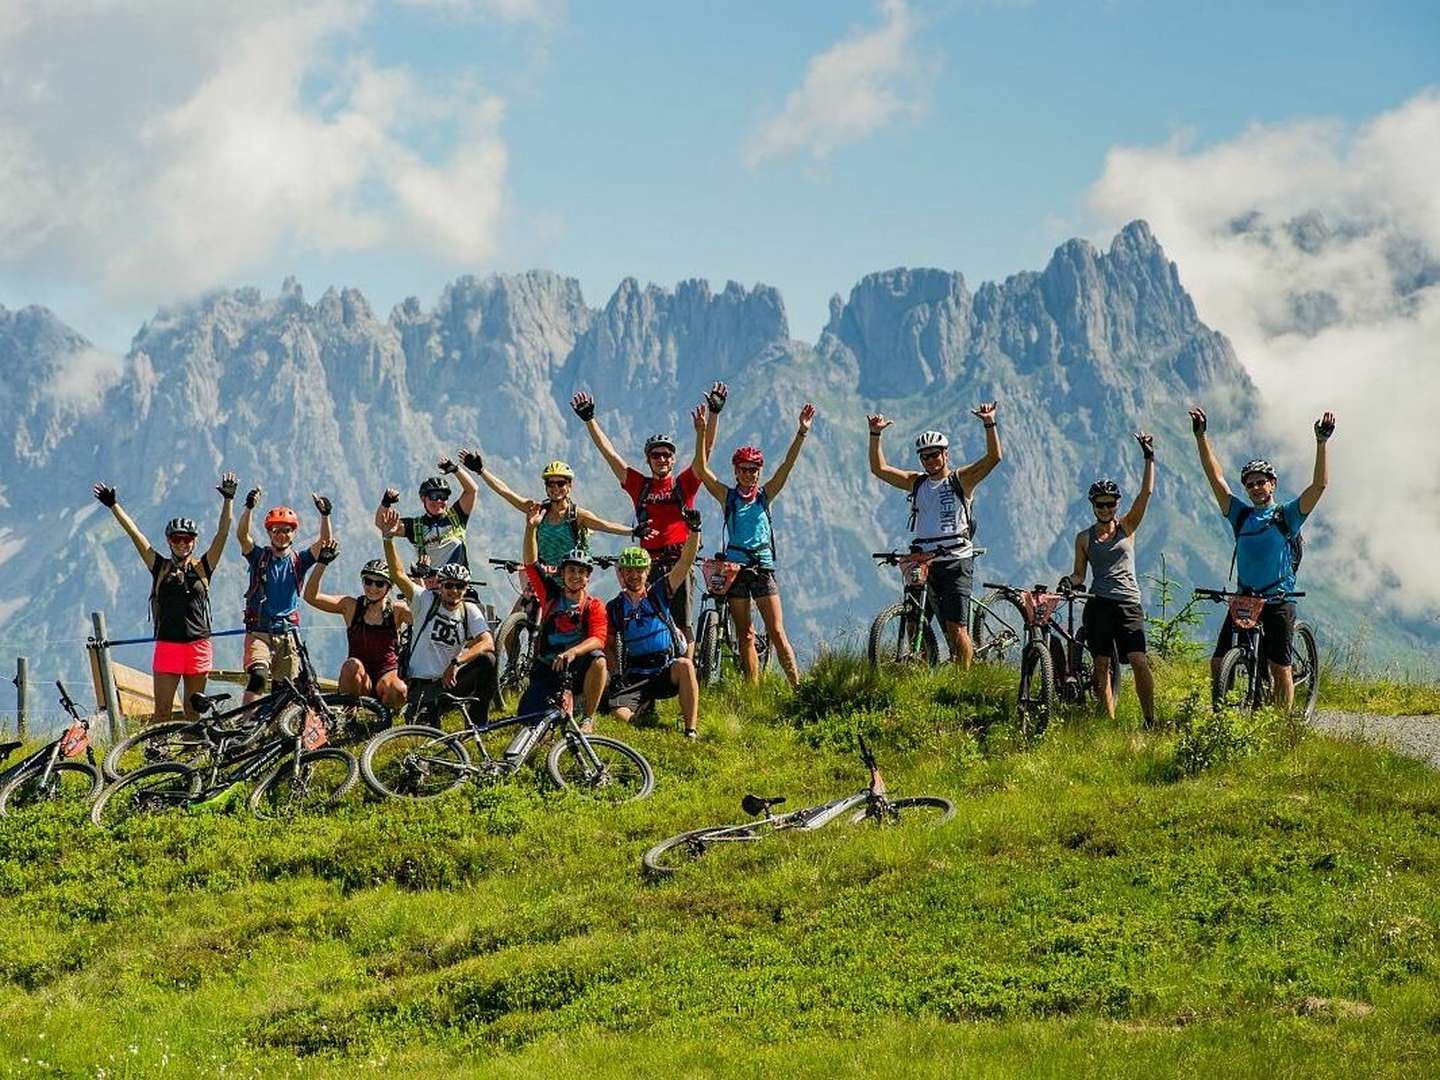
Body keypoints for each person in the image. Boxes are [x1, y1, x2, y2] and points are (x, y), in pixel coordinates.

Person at [1190, 406, 1335, 711]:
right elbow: (1214, 478)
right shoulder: (1240, 516)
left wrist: (1321, 444)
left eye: (1261, 482)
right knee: (1218, 662)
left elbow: (1319, 486)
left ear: (1273, 484)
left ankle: (1282, 728)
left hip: (1279, 599)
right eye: (1250, 484)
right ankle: (1223, 717)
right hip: (1245, 599)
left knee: (1279, 667)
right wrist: (1201, 436)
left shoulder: (1287, 516)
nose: (1256, 488)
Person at [91, 472, 237, 722]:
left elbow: (222, 534)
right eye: (176, 539)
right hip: (168, 647)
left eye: (187, 539)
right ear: (169, 541)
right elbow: (136, 535)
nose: (182, 544)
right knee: (162, 713)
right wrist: (114, 505)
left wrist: (228, 499)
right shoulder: (159, 566)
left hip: (198, 647)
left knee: (193, 713)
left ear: (194, 542)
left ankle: (191, 757)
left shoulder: (204, 567)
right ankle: (158, 755)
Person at [866, 402, 1003, 667]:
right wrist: (875, 434)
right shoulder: (916, 482)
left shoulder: (960, 480)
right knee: (913, 620)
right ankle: (925, 672)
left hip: (955, 559)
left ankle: (963, 680)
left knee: (956, 628)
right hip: (923, 561)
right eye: (925, 456)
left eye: (934, 455)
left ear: (945, 455)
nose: (929, 460)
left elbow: (993, 458)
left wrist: (989, 423)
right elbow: (879, 469)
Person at [694, 398, 816, 686]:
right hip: (735, 571)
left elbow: (787, 465)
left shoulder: (765, 494)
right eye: (744, 469)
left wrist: (802, 432)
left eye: (754, 469)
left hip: (762, 567)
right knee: (745, 634)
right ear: (736, 471)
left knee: (775, 630)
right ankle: (754, 690)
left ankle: (797, 685)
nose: (750, 474)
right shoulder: (728, 497)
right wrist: (701, 432)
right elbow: (700, 470)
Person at [570, 390, 702, 651]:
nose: (662, 459)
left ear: (673, 459)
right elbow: (610, 455)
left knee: (683, 622)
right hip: (646, 564)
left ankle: (688, 675)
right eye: (656, 455)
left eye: (666, 454)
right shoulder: (640, 486)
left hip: (679, 561)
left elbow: (704, 457)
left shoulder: (683, 484)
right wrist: (589, 420)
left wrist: (705, 428)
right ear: (648, 459)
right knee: (648, 618)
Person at [1062, 434, 1157, 726]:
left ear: (1117, 504)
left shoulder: (1127, 528)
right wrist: (1070, 581)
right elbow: (1080, 573)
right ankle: (1108, 722)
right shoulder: (1084, 538)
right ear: (1093, 506)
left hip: (1129, 604)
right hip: (1099, 604)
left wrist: (1148, 457)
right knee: (1101, 664)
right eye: (1100, 505)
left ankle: (1150, 719)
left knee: (1139, 661)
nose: (1105, 509)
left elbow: (1146, 495)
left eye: (1110, 504)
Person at [379, 508, 497, 726]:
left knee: (487, 661)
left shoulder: (469, 610)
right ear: (440, 586)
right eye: (449, 586)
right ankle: (425, 713)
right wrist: (388, 539)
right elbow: (398, 574)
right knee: (428, 735)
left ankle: (478, 721)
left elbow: (488, 643)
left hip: (449, 680)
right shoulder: (424, 601)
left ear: (466, 588)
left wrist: (457, 661)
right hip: (422, 685)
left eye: (459, 587)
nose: (454, 591)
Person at [605, 513, 703, 738]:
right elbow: (609, 645)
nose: (633, 575)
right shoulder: (615, 607)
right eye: (628, 570)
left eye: (639, 570)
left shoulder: (658, 593)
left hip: (664, 669)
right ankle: (645, 719)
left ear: (647, 571)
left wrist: (694, 530)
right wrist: (615, 674)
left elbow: (685, 562)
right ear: (621, 574)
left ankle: (690, 731)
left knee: (686, 666)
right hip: (635, 673)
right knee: (619, 715)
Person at [519, 505, 609, 730]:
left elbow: (598, 639)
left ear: (588, 577)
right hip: (548, 668)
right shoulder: (550, 595)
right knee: (527, 719)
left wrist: (572, 652)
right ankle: (564, 702)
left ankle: (588, 717)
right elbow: (531, 564)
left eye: (581, 572)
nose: (575, 576)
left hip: (576, 668)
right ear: (563, 574)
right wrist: (531, 529)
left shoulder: (594, 605)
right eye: (571, 571)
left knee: (599, 659)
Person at [236, 488, 330, 702]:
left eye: (286, 530)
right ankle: (246, 726)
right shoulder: (259, 557)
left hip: (288, 635)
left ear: (293, 532)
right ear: (269, 533)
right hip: (259, 632)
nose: (281, 535)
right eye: (276, 530)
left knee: (283, 691)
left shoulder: (300, 561)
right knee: (258, 677)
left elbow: (324, 542)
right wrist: (249, 508)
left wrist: (325, 515)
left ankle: (273, 730)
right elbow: (242, 536)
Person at [474, 453, 637, 567]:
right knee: (524, 606)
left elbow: (606, 526)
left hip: (570, 577)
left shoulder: (577, 515)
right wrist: (481, 471)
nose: (555, 488)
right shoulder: (537, 510)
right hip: (542, 574)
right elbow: (505, 492)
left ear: (569, 486)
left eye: (560, 483)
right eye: (550, 484)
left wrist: (633, 532)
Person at [303, 542, 412, 710]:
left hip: (388, 675)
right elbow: (311, 597)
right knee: (351, 665)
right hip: (360, 678)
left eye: (379, 584)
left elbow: (424, 615)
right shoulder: (351, 606)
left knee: (399, 689)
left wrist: (420, 580)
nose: (372, 588)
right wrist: (321, 563)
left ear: (388, 587)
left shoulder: (398, 611)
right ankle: (348, 716)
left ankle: (386, 721)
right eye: (368, 581)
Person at [375, 452, 481, 569]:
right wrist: (386, 503)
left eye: (443, 496)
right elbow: (382, 524)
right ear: (423, 499)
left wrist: (456, 469)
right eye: (434, 496)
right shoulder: (415, 526)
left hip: (458, 584)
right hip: (431, 584)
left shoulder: (457, 516)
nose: (439, 501)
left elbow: (472, 490)